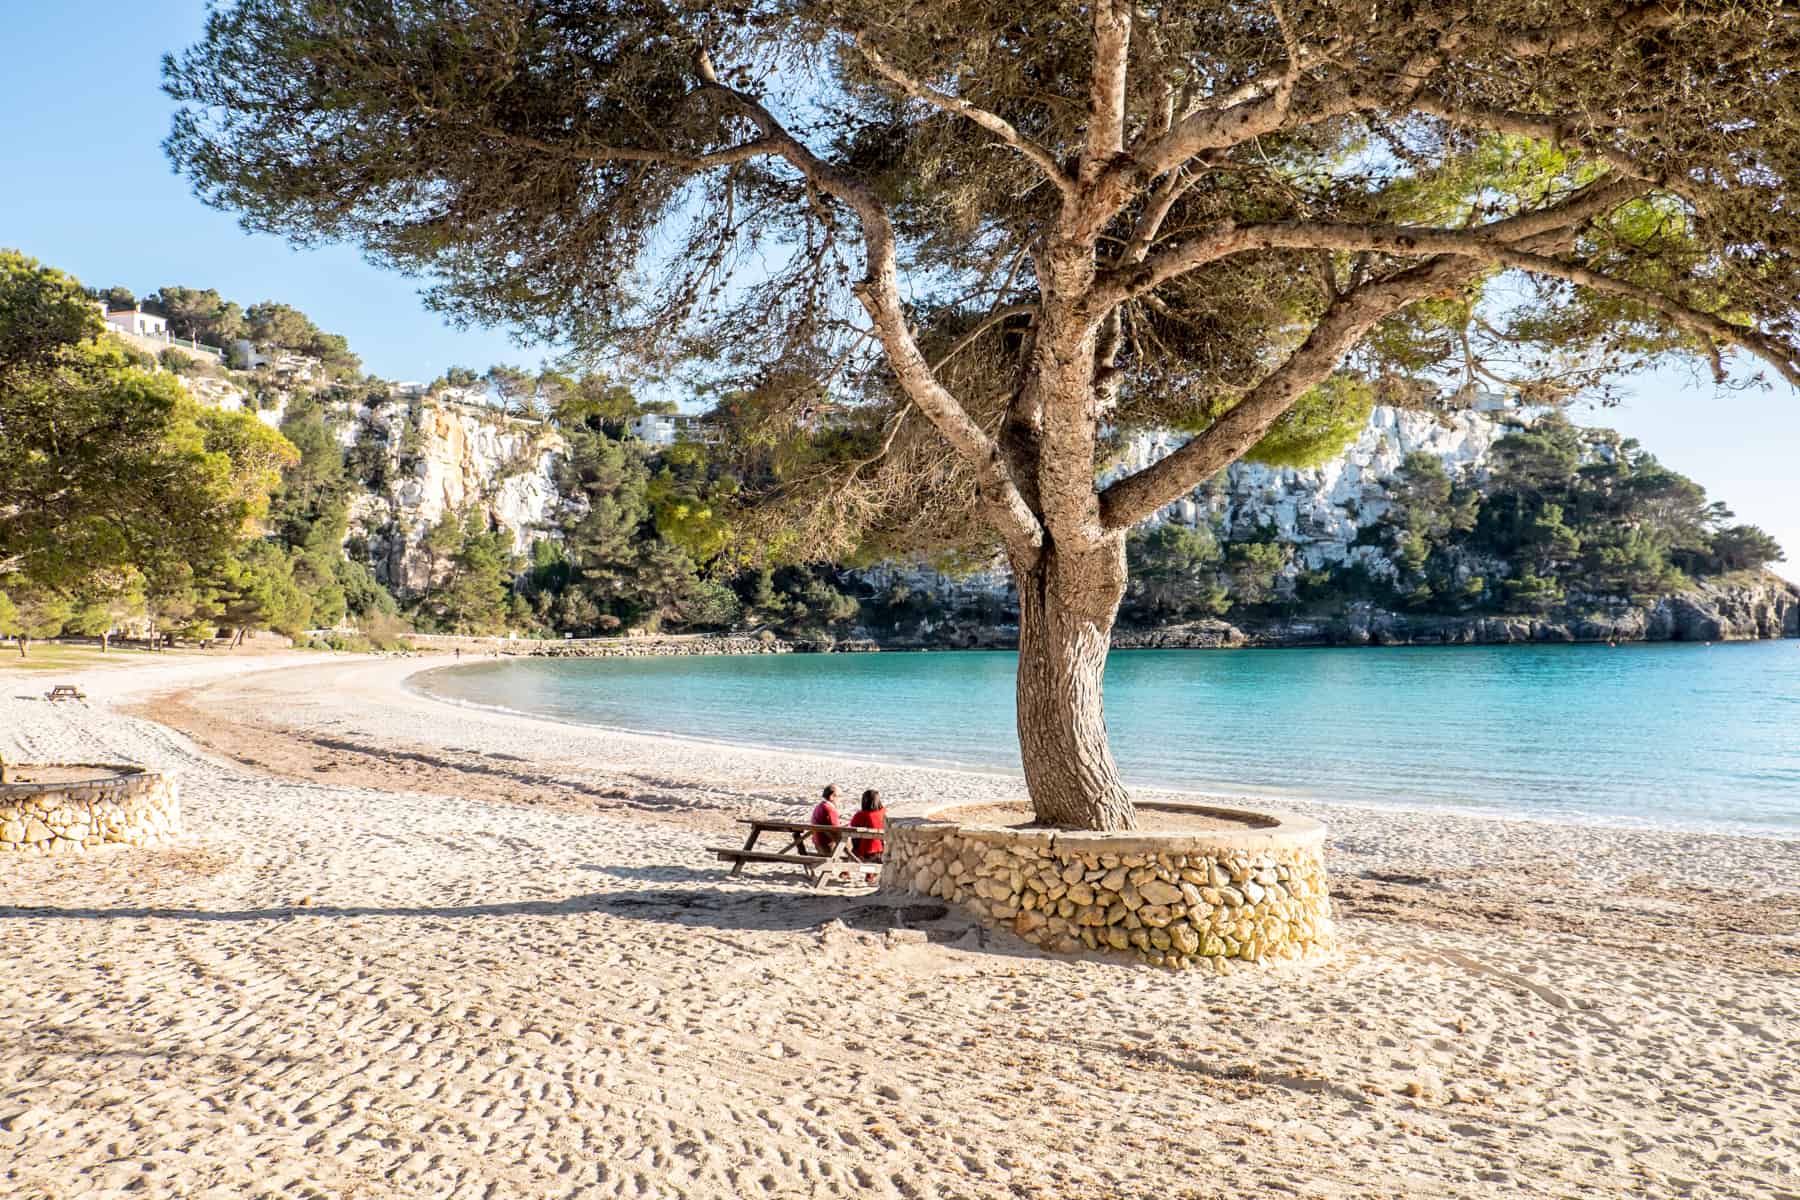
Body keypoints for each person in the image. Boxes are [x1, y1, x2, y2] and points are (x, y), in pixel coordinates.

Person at [849, 789, 886, 862]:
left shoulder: (860, 815)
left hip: (865, 850)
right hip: (882, 848)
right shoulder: (884, 813)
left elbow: (852, 828)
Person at [809, 784, 844, 855]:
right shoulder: (829, 809)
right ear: (831, 797)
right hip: (828, 845)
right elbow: (836, 831)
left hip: (818, 843)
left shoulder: (819, 806)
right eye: (839, 796)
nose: (841, 799)